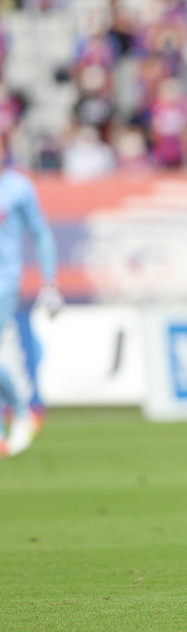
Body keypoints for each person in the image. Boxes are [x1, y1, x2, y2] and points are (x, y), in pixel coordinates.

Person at [0, 157, 59, 458]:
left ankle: (21, 412)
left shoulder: (18, 188)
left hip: (4, 282)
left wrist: (49, 282)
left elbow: (40, 231)